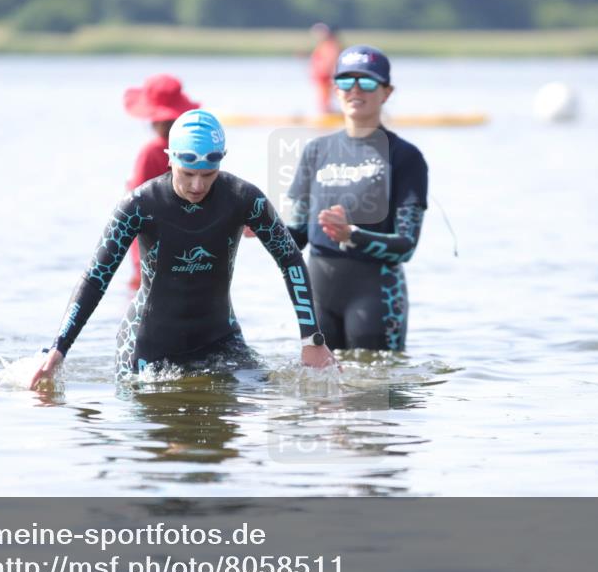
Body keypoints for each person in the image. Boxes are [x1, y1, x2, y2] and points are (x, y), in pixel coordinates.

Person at [30, 109, 335, 389]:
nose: (198, 186)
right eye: (188, 173)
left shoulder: (244, 199)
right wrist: (60, 348)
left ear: (221, 160)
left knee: (266, 394)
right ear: (170, 158)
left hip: (220, 338)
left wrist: (312, 339)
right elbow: (97, 277)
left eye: (208, 174)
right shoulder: (139, 206)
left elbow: (290, 259)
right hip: (148, 344)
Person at [286, 45, 428, 351]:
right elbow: (296, 236)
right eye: (346, 82)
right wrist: (257, 225)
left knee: (372, 391)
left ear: (386, 92)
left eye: (366, 82)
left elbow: (406, 246)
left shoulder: (405, 157)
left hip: (376, 296)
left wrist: (353, 235)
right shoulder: (315, 151)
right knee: (318, 396)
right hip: (319, 296)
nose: (355, 91)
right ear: (335, 89)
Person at [121, 74, 200, 290]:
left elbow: (136, 205)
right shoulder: (193, 152)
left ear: (153, 118)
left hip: (153, 253)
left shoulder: (152, 152)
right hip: (186, 252)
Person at [309, 22, 341, 115]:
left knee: (325, 98)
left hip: (325, 75)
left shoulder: (331, 45)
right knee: (324, 98)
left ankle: (327, 114)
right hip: (322, 75)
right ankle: (326, 113)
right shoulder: (326, 44)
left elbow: (331, 59)